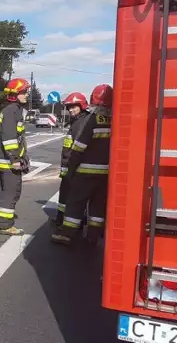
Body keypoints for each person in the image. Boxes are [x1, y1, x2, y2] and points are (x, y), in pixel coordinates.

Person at [51, 84, 113, 245]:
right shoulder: (116, 119)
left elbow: (79, 147)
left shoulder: (91, 119)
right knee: (98, 206)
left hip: (86, 172)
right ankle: (93, 235)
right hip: (106, 173)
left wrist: (71, 169)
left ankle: (67, 234)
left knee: (75, 202)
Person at [0, 77, 31, 236]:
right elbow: (10, 139)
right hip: (8, 163)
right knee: (11, 192)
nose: (26, 94)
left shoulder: (8, 110)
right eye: (24, 92)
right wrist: (15, 160)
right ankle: (4, 225)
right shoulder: (13, 111)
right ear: (15, 94)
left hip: (0, 162)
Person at [53, 92, 89, 226]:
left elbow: (77, 148)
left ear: (82, 106)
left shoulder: (81, 123)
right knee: (64, 194)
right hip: (69, 167)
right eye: (69, 108)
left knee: (72, 197)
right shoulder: (77, 122)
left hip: (74, 168)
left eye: (74, 107)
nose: (71, 110)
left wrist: (71, 168)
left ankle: (68, 224)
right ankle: (61, 218)